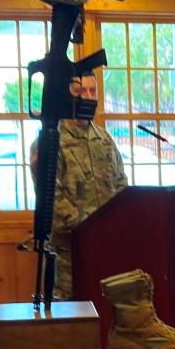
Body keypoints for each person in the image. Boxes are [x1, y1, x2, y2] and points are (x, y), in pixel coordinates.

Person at [30, 71, 128, 299]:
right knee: (68, 329)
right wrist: (92, 230)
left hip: (108, 256)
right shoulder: (49, 141)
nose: (87, 97)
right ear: (67, 95)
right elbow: (52, 201)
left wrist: (119, 226)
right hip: (68, 261)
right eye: (80, 91)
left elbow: (122, 186)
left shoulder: (105, 140)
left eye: (92, 91)